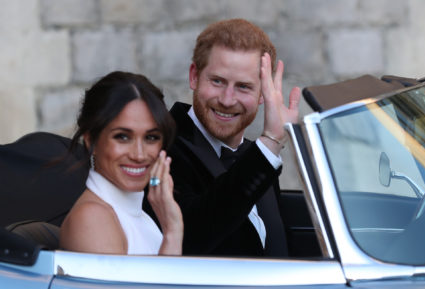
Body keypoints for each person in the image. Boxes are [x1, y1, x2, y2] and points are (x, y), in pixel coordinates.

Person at [145, 19, 300, 256]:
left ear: (263, 94)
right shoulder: (159, 146)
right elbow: (191, 238)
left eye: (244, 87)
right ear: (194, 76)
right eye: (217, 81)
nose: (227, 100)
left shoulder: (255, 155)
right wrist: (270, 143)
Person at [60, 71, 183, 255]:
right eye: (123, 137)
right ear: (90, 140)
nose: (139, 155)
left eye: (151, 137)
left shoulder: (138, 215)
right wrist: (173, 233)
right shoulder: (92, 218)